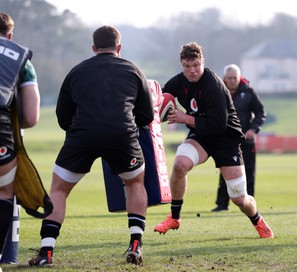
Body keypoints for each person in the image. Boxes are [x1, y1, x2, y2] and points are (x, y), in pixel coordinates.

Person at [28, 25, 154, 267]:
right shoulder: (134, 70)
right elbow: (146, 116)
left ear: (94, 48)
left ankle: (46, 253)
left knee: (59, 190)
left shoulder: (76, 72)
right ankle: (136, 243)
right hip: (122, 135)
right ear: (119, 47)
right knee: (135, 183)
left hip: (83, 137)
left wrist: (80, 132)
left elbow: (63, 116)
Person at [154, 42, 273, 239]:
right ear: (182, 65)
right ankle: (174, 216)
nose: (192, 71)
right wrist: (155, 108)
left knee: (239, 198)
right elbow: (161, 97)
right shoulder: (179, 81)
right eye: (187, 66)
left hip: (226, 139)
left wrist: (184, 118)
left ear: (203, 62)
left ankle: (258, 220)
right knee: (180, 164)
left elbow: (217, 126)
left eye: (196, 65)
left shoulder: (215, 86)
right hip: (201, 136)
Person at [0, 12, 40, 262]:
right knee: (4, 192)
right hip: (2, 129)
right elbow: (31, 117)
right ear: (10, 35)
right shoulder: (21, 60)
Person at [211, 64, 265, 212]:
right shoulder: (218, 92)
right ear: (225, 79)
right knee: (225, 172)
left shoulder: (249, 92)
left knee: (248, 172)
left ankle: (249, 204)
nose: (233, 80)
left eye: (235, 77)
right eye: (229, 78)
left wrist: (253, 129)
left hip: (246, 140)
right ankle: (222, 204)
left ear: (239, 77)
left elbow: (260, 112)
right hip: (226, 140)